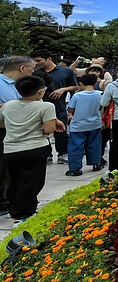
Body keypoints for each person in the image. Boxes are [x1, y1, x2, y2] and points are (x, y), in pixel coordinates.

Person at [0, 75, 65, 223]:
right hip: (34, 148)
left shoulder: (8, 105)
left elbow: (2, 122)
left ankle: (15, 209)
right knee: (31, 182)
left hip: (10, 149)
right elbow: (48, 130)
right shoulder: (46, 106)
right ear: (41, 92)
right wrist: (53, 122)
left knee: (15, 180)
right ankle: (23, 215)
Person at [0, 56, 36, 214]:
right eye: (32, 68)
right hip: (3, 131)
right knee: (2, 168)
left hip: (18, 134)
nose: (33, 72)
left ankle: (12, 200)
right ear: (22, 68)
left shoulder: (20, 86)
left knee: (12, 169)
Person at [31, 49, 79, 164]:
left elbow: (75, 86)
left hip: (59, 106)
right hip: (39, 107)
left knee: (61, 131)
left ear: (49, 59)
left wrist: (63, 89)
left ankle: (63, 153)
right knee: (42, 132)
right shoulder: (35, 72)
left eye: (39, 60)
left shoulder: (66, 71)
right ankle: (47, 155)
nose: (37, 63)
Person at [65, 73, 104, 175]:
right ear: (95, 83)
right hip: (95, 124)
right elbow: (102, 107)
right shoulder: (100, 94)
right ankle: (96, 163)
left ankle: (75, 169)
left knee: (76, 147)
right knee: (95, 144)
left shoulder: (77, 95)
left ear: (81, 83)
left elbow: (70, 109)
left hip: (78, 125)